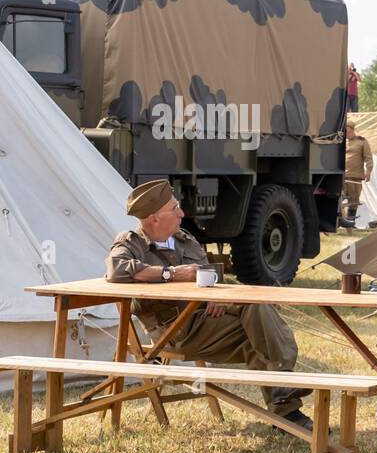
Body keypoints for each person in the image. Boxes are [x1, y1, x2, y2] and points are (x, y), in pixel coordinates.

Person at [105, 180, 311, 430]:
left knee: (259, 321)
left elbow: (210, 274)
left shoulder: (184, 239)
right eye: (174, 209)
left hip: (208, 321)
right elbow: (116, 270)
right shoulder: (130, 243)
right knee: (259, 324)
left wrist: (216, 294)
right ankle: (285, 393)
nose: (182, 213)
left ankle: (285, 410)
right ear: (153, 218)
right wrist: (171, 274)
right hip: (175, 332)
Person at [340, 121, 373, 228]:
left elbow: (368, 158)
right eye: (345, 131)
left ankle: (350, 222)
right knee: (338, 199)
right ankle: (339, 221)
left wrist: (368, 171)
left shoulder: (361, 142)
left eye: (348, 131)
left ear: (352, 130)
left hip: (355, 177)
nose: (346, 133)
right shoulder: (341, 141)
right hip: (341, 176)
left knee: (353, 201)